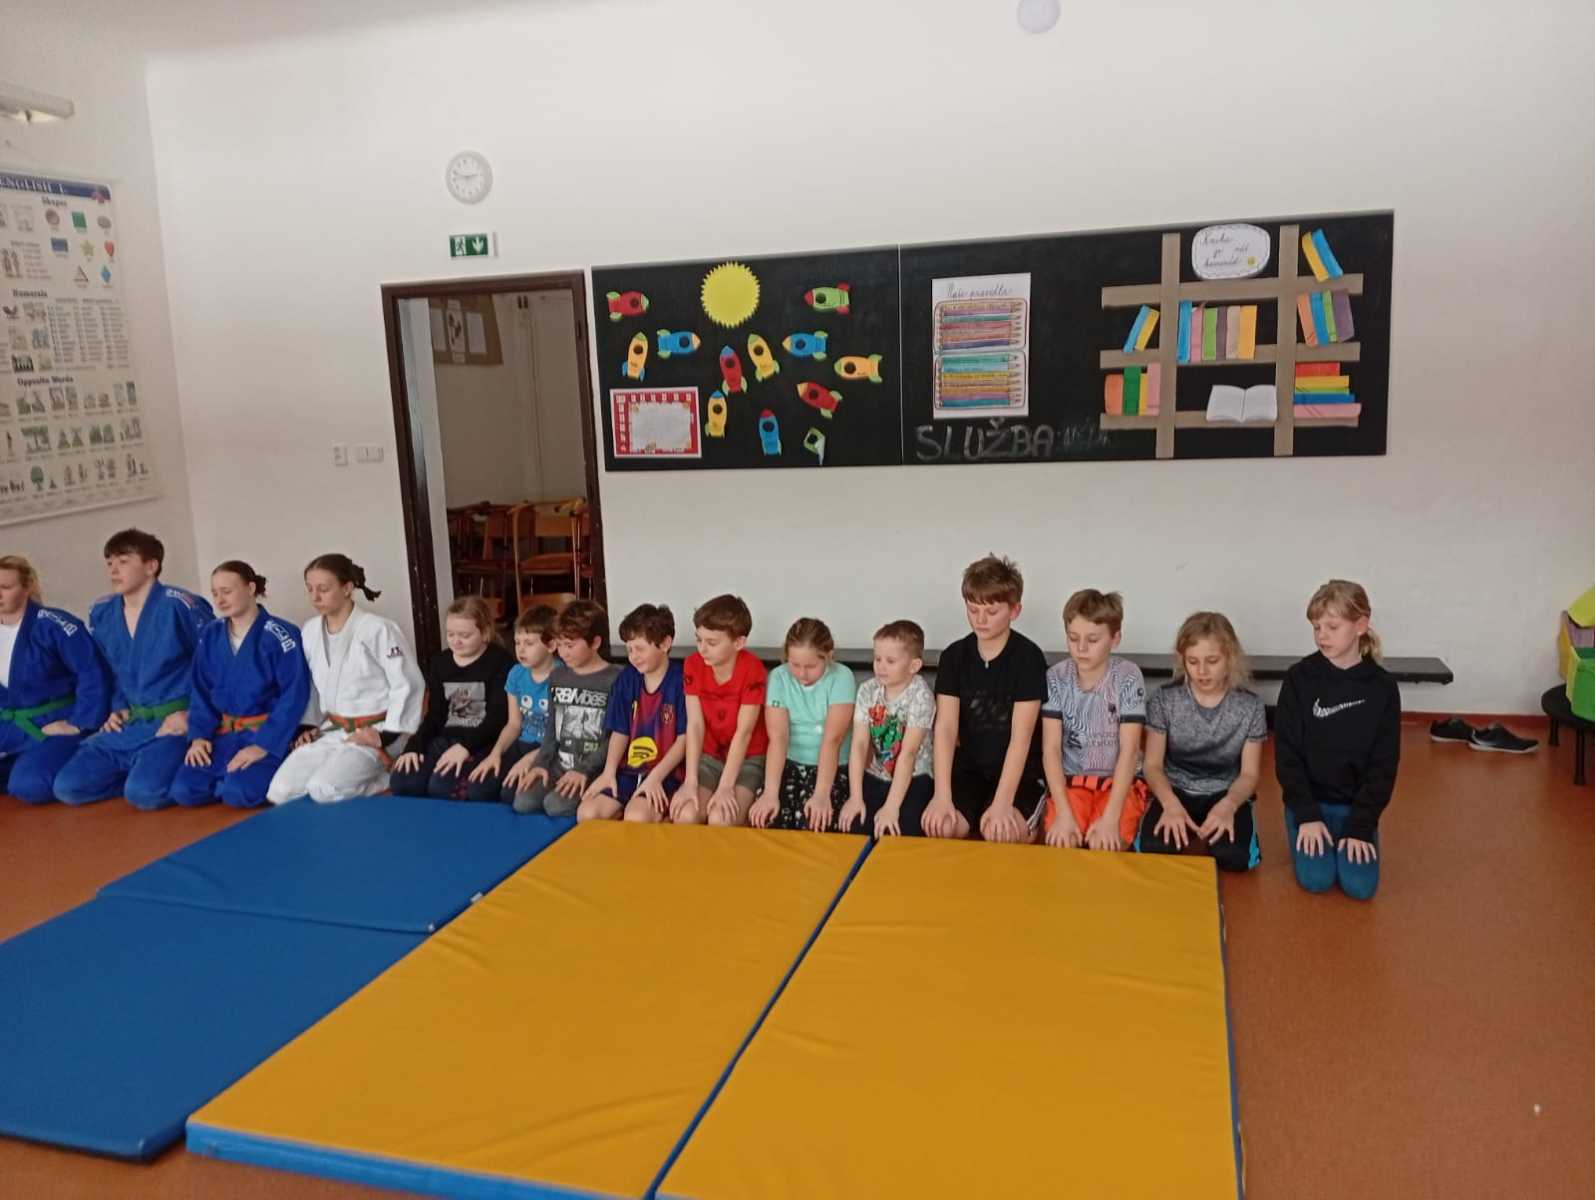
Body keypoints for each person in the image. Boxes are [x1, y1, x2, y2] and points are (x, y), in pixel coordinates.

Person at [54, 529, 214, 809]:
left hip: (174, 723)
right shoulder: (103, 612)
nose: (113, 570)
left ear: (151, 566)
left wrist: (193, 714)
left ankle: (173, 776)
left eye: (123, 561)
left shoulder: (180, 605)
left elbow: (214, 666)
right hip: (132, 724)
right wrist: (116, 708)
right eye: (109, 563)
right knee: (68, 787)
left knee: (144, 794)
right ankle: (140, 773)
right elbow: (110, 670)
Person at [1276, 579, 1400, 900]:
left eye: (1332, 627)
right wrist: (1306, 814)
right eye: (1316, 627)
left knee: (1360, 887)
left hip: (1355, 808)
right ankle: (1305, 828)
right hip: (1309, 804)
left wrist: (1361, 825)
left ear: (1360, 625)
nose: (1322, 636)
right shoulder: (1299, 678)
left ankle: (1350, 832)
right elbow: (1287, 756)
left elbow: (1384, 764)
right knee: (1316, 880)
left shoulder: (1383, 687)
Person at [265, 554, 423, 805]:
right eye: (310, 589)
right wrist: (308, 725)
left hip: (375, 731)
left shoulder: (378, 628)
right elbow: (310, 685)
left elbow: (407, 683)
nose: (315, 597)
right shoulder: (310, 631)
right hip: (333, 730)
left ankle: (385, 776)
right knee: (279, 791)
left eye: (323, 589)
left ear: (347, 588)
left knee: (323, 789)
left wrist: (387, 736)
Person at [168, 561, 312, 808]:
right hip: (224, 736)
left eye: (227, 591)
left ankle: (248, 777)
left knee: (239, 793)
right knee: (184, 790)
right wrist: (199, 737)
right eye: (215, 593)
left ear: (250, 588)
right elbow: (201, 691)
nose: (219, 600)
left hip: (266, 735)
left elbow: (294, 694)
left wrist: (263, 746)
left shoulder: (281, 634)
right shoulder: (210, 635)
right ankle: (226, 780)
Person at [923, 555, 1047, 842]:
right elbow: (945, 729)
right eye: (973, 609)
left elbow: (1021, 737)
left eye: (991, 612)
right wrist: (942, 796)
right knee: (941, 826)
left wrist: (1003, 803)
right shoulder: (954, 656)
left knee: (1000, 832)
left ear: (1014, 610)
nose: (980, 620)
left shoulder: (1028, 658)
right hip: (970, 770)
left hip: (1021, 774)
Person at [1136, 612, 1266, 870]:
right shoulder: (1164, 699)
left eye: (1212, 661)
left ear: (1230, 658)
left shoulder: (1251, 707)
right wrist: (1170, 805)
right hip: (1175, 790)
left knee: (1234, 857)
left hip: (1225, 792)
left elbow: (1249, 774)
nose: (1202, 671)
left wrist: (1229, 805)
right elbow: (1152, 765)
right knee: (1153, 849)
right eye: (1193, 661)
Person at [1039, 589, 1148, 852]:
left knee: (1105, 844)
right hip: (1072, 783)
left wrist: (1110, 819)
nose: (1081, 648)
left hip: (1117, 785)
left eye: (1093, 640)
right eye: (1073, 638)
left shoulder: (1128, 676)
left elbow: (1130, 750)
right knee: (1064, 841)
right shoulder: (1056, 677)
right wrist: (1064, 814)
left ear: (1115, 639)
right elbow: (1051, 750)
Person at [0, 555, 112, 804]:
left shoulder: (55, 625)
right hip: (8, 727)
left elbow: (92, 672)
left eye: (5, 587)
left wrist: (79, 723)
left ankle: (79, 754)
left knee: (29, 786)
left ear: (27, 588)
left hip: (50, 723)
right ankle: (20, 764)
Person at [389, 595, 513, 799]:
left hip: (481, 742)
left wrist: (465, 748)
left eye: (464, 635)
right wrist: (414, 746)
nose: (456, 641)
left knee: (441, 788)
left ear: (484, 633)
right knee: (403, 782)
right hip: (445, 739)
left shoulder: (500, 661)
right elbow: (435, 714)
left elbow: (497, 719)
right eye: (450, 634)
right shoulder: (440, 662)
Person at [578, 603, 687, 822]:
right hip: (629, 770)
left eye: (640, 648)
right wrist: (608, 773)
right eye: (629, 649)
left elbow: (685, 739)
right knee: (587, 813)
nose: (633, 656)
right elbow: (620, 731)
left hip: (666, 774)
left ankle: (659, 818)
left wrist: (655, 777)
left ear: (665, 644)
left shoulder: (681, 681)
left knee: (637, 816)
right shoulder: (627, 679)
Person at [513, 600, 619, 816]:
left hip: (593, 767)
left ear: (595, 642)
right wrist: (540, 763)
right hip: (559, 764)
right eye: (559, 645)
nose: (563, 653)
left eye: (570, 646)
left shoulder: (617, 678)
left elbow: (617, 737)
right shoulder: (558, 675)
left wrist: (585, 769)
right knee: (523, 802)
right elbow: (552, 727)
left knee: (556, 806)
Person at [750, 618, 857, 832]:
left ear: (829, 656)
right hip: (789, 763)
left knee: (814, 822)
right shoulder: (779, 677)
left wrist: (822, 794)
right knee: (768, 818)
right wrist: (770, 793)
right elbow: (778, 738)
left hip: (831, 767)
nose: (802, 674)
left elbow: (832, 739)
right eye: (795, 665)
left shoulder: (842, 677)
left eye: (810, 666)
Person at [674, 594, 768, 827]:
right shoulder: (693, 664)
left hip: (747, 759)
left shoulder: (753, 669)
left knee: (720, 818)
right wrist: (690, 781)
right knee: (686, 814)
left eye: (712, 643)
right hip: (709, 757)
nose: (702, 649)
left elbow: (744, 733)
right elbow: (695, 725)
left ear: (738, 643)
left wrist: (726, 786)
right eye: (699, 640)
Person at [836, 619, 934, 838]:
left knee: (899, 829)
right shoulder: (868, 690)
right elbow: (859, 745)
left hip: (914, 777)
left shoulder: (921, 695)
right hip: (876, 773)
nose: (880, 666)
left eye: (890, 661)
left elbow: (908, 754)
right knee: (855, 824)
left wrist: (891, 807)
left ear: (914, 666)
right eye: (877, 659)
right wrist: (855, 797)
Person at [467, 604, 559, 803]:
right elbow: (514, 724)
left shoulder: (563, 677)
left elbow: (562, 736)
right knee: (478, 789)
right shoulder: (516, 674)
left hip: (549, 749)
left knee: (511, 794)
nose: (521, 649)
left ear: (551, 645)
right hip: (522, 744)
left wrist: (532, 759)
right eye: (517, 642)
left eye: (529, 643)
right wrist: (495, 754)